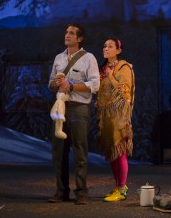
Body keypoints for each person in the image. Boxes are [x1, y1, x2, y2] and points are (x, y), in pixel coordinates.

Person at [48, 23, 100, 205]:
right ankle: (61, 192)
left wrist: (71, 86)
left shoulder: (89, 58)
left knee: (80, 151)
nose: (67, 35)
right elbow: (50, 83)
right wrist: (57, 82)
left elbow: (95, 85)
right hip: (60, 106)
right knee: (58, 152)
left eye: (71, 33)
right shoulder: (58, 58)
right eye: (66, 32)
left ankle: (82, 192)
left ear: (80, 39)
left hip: (79, 107)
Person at [96, 38, 135, 202]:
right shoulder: (102, 68)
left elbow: (124, 91)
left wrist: (111, 76)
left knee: (120, 151)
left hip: (119, 115)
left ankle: (122, 188)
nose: (106, 48)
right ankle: (117, 185)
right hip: (106, 115)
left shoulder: (124, 67)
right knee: (111, 152)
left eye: (110, 46)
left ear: (118, 50)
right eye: (104, 45)